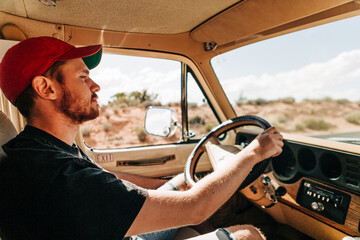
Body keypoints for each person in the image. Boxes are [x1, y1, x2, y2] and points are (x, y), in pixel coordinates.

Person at [0, 37, 284, 240]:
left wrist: (166, 188)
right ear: (45, 88)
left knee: (187, 181)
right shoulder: (59, 174)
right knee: (247, 234)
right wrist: (254, 152)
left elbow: (102, 178)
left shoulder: (41, 149)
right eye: (83, 78)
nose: (95, 86)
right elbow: (197, 208)